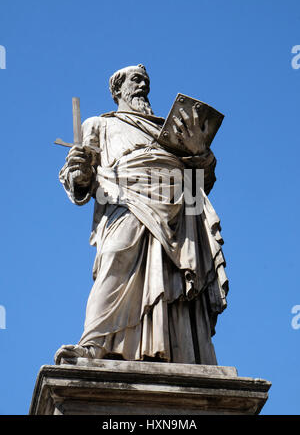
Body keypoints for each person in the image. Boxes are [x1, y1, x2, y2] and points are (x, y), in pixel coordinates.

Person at [54, 64, 228, 365]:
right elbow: (81, 181)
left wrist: (200, 151)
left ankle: (184, 351)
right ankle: (94, 344)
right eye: (136, 80)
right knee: (115, 258)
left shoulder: (169, 130)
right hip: (125, 196)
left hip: (179, 206)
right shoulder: (99, 125)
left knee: (173, 276)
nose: (142, 87)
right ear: (117, 89)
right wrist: (79, 171)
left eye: (146, 82)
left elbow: (203, 181)